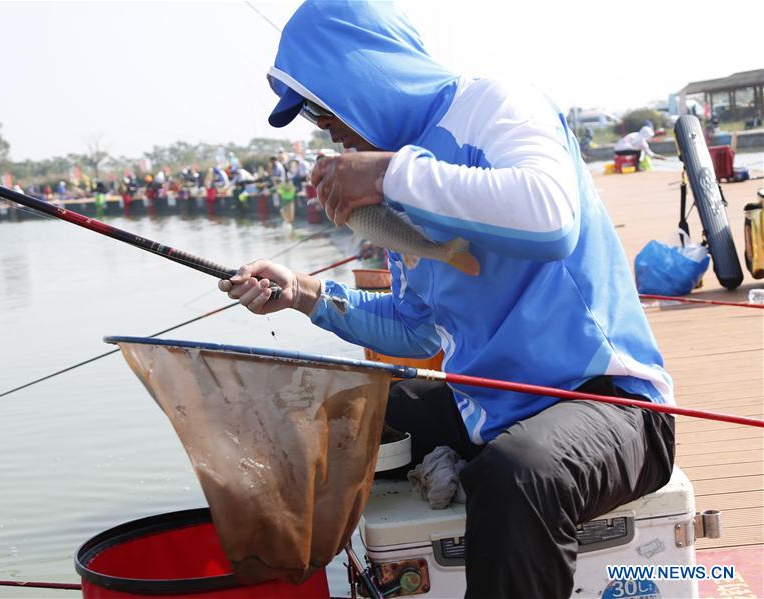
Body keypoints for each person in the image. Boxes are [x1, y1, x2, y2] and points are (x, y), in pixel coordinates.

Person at [217, 2, 675, 598]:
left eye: (320, 103)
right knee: (339, 408)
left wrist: (387, 175)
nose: (322, 124)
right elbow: (418, 332)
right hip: (488, 407)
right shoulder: (404, 175)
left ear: (364, 71)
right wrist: (304, 293)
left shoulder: (495, 104)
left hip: (611, 407)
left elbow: (551, 218)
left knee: (519, 474)